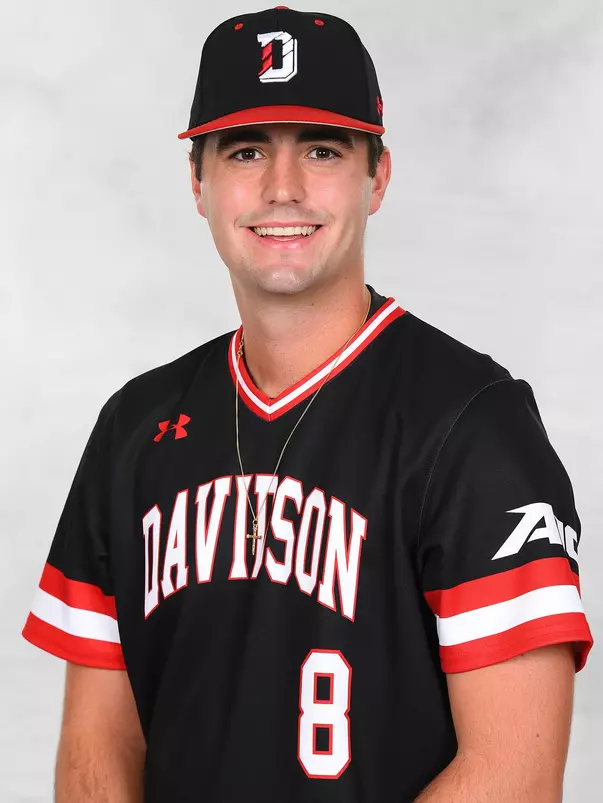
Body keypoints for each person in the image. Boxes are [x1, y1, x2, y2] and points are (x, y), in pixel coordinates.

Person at [22, 6, 593, 802]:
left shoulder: (474, 424)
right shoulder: (134, 427)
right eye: (245, 150)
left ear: (377, 176)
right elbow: (96, 750)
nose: (282, 188)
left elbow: (514, 777)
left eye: (321, 150)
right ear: (198, 182)